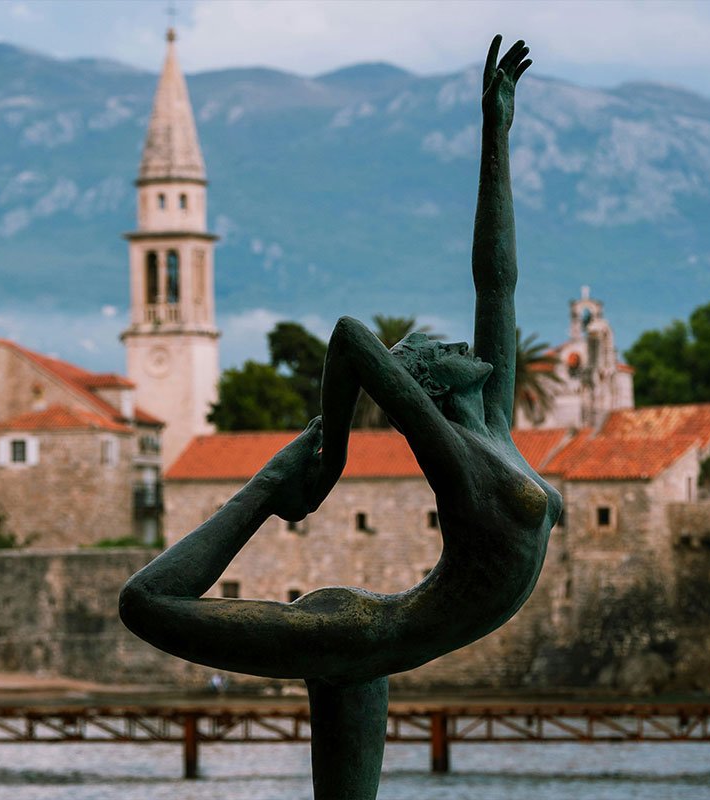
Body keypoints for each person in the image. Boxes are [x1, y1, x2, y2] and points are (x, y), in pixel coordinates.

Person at [121, 35, 559, 687]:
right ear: (425, 387)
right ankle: (269, 485)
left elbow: (496, 281)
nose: (450, 342)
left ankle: (278, 481)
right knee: (143, 604)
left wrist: (495, 137)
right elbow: (351, 337)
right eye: (433, 350)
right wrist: (330, 459)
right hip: (357, 633)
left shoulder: (492, 422)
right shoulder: (455, 457)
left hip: (374, 637)